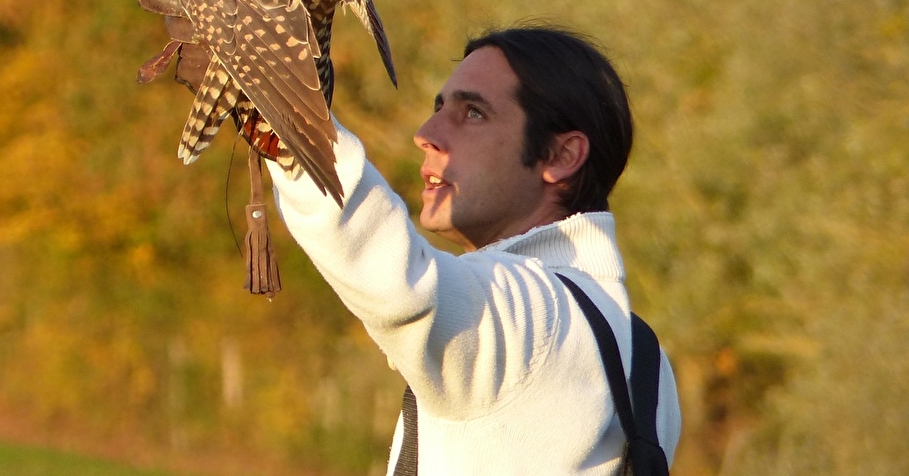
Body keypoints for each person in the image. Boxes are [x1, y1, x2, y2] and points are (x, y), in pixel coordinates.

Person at [266, 26, 681, 475]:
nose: (426, 134)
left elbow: (399, 285)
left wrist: (283, 105)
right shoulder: (644, 359)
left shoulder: (535, 316)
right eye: (439, 108)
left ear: (561, 156)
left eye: (474, 113)